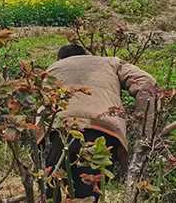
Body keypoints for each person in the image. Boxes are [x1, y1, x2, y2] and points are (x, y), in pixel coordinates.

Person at [43, 44, 158, 202]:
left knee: (51, 187)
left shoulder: (53, 67)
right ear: (86, 55)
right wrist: (144, 125)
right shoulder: (110, 62)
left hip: (62, 128)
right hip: (104, 129)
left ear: (60, 59)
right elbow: (146, 81)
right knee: (90, 193)